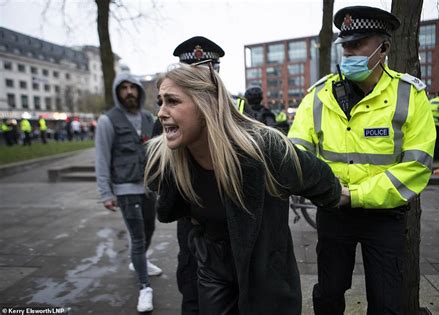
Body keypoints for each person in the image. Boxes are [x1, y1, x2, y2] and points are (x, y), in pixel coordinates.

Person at [145, 61, 342, 314]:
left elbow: (320, 179)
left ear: (206, 106)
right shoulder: (168, 158)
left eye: (172, 101)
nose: (161, 112)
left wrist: (341, 198)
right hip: (212, 267)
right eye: (160, 102)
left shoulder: (264, 148)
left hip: (266, 270)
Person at [288, 6, 436, 315]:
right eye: (345, 46)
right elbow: (297, 155)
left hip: (385, 217)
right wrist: (324, 189)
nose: (349, 53)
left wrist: (354, 196)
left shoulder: (409, 95)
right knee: (328, 295)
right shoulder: (318, 96)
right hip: (333, 213)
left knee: (386, 302)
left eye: (358, 45)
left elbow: (416, 166)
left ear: (384, 47)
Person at [151, 35, 226, 315]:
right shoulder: (166, 113)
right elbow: (156, 173)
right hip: (191, 221)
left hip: (229, 225)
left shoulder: (236, 110)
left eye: (203, 75)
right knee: (192, 285)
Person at [95, 73, 162, 312]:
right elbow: (102, 159)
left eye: (132, 87)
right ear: (117, 92)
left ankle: (139, 262)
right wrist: (106, 193)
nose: (129, 92)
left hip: (148, 188)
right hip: (125, 189)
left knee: (150, 228)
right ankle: (144, 287)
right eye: (123, 88)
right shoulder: (107, 121)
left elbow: (157, 152)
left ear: (139, 91)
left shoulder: (148, 117)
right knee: (137, 237)